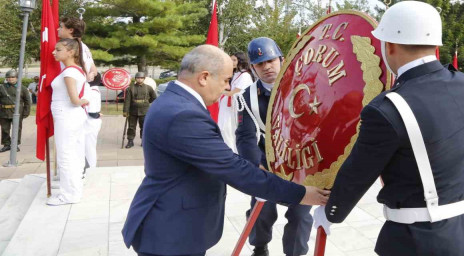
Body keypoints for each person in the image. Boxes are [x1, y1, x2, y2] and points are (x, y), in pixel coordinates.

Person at [314, 1, 464, 255]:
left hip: (417, 240)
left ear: (391, 45)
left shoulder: (388, 108)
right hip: (463, 233)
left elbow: (358, 173)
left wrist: (332, 211)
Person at [121, 45, 329, 256]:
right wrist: (302, 193)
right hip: (170, 231)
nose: (226, 88)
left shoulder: (175, 101)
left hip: (174, 224)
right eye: (226, 80)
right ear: (204, 77)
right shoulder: (183, 114)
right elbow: (233, 168)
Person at [236, 37, 313, 256]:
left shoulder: (306, 86)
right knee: (262, 212)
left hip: (301, 164)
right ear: (253, 68)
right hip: (266, 163)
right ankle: (260, 247)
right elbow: (244, 137)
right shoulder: (247, 97)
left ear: (282, 59)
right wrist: (255, 170)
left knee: (300, 216)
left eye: (271, 61)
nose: (267, 67)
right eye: (260, 64)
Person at [47, 38, 89, 206]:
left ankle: (68, 195)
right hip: (69, 116)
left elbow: (74, 99)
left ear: (70, 52)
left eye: (58, 49)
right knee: (74, 153)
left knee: (65, 155)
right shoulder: (75, 70)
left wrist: (83, 101)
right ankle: (74, 191)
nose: (54, 52)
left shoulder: (69, 72)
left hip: (67, 115)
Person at [218, 52, 252, 153]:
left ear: (240, 61)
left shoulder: (245, 76)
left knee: (229, 130)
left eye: (234, 60)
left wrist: (219, 91)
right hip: (229, 108)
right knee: (224, 129)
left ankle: (233, 153)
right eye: (230, 59)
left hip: (235, 109)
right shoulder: (237, 74)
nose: (231, 62)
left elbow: (235, 92)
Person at [58, 16, 98, 82]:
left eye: (61, 27)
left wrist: (91, 74)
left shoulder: (65, 47)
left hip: (72, 86)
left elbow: (91, 67)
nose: (58, 29)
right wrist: (92, 74)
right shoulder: (84, 46)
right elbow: (93, 69)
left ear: (71, 30)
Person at [123, 72, 157, 149]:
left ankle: (144, 141)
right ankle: (130, 141)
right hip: (132, 110)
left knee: (144, 126)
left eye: (141, 78)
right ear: (135, 79)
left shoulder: (148, 88)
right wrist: (125, 111)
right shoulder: (130, 88)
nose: (139, 79)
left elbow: (154, 97)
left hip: (144, 110)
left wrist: (147, 102)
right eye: (138, 78)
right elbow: (127, 101)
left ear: (144, 79)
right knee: (131, 127)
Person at [0, 70, 31, 153]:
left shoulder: (22, 88)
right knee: (5, 129)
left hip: (17, 112)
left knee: (17, 129)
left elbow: (27, 101)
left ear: (17, 78)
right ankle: (6, 145)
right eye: (8, 77)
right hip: (4, 111)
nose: (10, 79)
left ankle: (15, 145)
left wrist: (26, 112)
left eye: (12, 77)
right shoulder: (2, 87)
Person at [84, 74, 102, 169]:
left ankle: (91, 167)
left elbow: (92, 112)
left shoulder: (92, 92)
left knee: (89, 147)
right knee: (88, 146)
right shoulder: (94, 90)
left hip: (90, 122)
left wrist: (98, 115)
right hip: (91, 121)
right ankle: (90, 165)